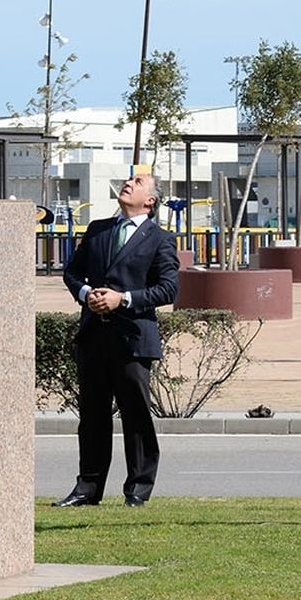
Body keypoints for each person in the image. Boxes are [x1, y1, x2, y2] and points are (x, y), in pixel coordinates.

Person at [57, 167, 179, 508]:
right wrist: (86, 294)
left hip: (133, 339)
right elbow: (72, 272)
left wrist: (121, 299)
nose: (128, 184)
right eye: (128, 180)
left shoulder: (160, 239)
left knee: (136, 415)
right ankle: (87, 489)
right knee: (92, 416)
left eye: (137, 182)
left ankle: (138, 490)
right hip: (93, 336)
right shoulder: (98, 230)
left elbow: (168, 289)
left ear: (150, 200)